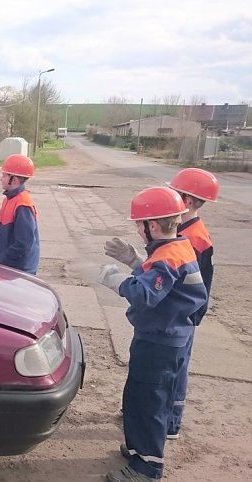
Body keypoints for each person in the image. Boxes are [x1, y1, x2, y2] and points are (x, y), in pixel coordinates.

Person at [97, 186, 208, 482]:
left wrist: (116, 278)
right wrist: (136, 262)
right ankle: (139, 451)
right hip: (168, 335)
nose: (137, 228)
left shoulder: (167, 255)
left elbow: (146, 294)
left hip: (160, 340)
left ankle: (146, 468)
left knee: (147, 402)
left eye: (139, 223)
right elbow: (164, 282)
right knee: (142, 397)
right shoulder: (178, 246)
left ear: (153, 225)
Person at [105, 168, 219, 442]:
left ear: (188, 202)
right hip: (176, 317)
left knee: (168, 377)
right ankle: (159, 418)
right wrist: (137, 262)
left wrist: (125, 277)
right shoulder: (183, 234)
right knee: (165, 377)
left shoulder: (192, 239)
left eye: (175, 195)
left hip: (175, 320)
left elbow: (167, 286)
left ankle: (168, 422)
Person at [0, 154, 39, 274]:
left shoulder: (22, 204)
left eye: (4, 175)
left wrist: (2, 259)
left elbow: (24, 243)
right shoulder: (10, 199)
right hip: (8, 267)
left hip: (18, 271)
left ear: (14, 179)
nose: (1, 178)